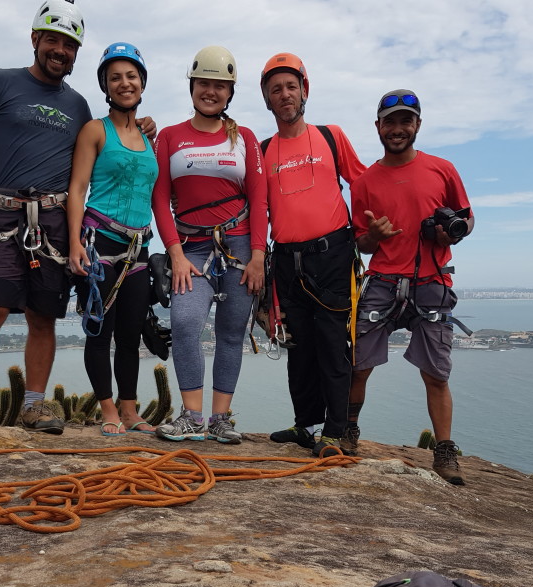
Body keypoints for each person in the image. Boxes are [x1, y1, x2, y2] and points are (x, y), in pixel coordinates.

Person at [0, 2, 154, 440]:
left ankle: (34, 404)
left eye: (69, 45)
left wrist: (142, 124)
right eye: (53, 40)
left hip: (51, 219)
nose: (60, 51)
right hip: (1, 212)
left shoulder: (79, 104)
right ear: (35, 40)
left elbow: (107, 145)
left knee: (42, 314)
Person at [348, 89, 474, 484]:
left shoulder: (443, 170)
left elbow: (467, 220)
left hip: (432, 279)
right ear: (378, 127)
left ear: (418, 124)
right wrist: (372, 235)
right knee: (357, 364)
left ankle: (444, 451)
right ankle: (349, 432)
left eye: (406, 121)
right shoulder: (365, 181)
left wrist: (450, 234)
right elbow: (360, 242)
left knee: (436, 374)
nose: (398, 129)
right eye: (391, 122)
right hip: (383, 279)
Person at [151, 46, 268, 444]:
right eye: (205, 83)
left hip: (238, 245)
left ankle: (220, 420)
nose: (211, 92)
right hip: (191, 247)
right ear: (192, 86)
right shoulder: (169, 137)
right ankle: (191, 416)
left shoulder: (245, 138)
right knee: (184, 323)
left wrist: (258, 256)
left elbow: (259, 198)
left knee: (232, 332)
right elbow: (159, 198)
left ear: (230, 92)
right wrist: (176, 254)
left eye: (220, 86)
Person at [259, 53, 366, 458]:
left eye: (291, 86)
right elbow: (255, 210)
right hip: (287, 260)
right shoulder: (264, 150)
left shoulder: (330, 136)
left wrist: (375, 230)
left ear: (305, 90)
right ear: (268, 100)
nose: (284, 95)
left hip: (333, 255)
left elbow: (365, 184)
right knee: (299, 347)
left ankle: (336, 432)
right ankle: (306, 424)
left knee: (333, 345)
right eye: (275, 90)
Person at [66, 43, 158, 436]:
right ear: (105, 85)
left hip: (138, 247)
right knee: (100, 331)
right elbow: (77, 188)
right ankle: (108, 410)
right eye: (116, 77)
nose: (125, 83)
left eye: (131, 76)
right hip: (99, 242)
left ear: (142, 83)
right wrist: (73, 244)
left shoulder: (149, 134)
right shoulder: (94, 130)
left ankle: (130, 409)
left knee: (132, 333)